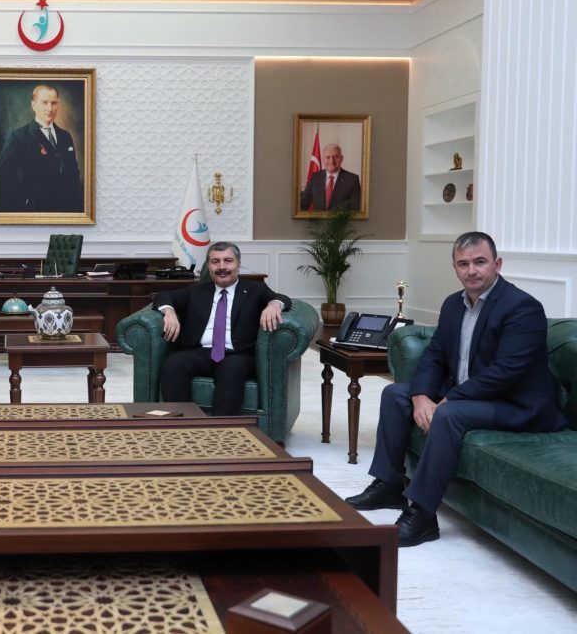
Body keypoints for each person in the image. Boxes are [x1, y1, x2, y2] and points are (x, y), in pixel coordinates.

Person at [345, 232, 568, 547]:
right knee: (395, 395)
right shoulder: (453, 304)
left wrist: (447, 400)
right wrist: (420, 397)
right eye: (463, 264)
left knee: (448, 414)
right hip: (468, 396)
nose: (471, 271)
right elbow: (435, 355)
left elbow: (506, 372)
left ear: (497, 264)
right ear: (455, 268)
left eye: (480, 262)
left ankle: (422, 515)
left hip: (516, 405)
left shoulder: (523, 308)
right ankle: (389, 485)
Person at [154, 241, 290, 417]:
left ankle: (221, 426)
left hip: (238, 354)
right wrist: (169, 311)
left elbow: (283, 298)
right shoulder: (196, 291)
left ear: (238, 264)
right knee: (174, 363)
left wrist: (273, 305)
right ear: (209, 267)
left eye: (228, 261)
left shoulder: (255, 290)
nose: (222, 267)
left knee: (232, 368)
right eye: (215, 261)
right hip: (201, 352)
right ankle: (182, 424)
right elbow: (163, 296)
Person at [0, 84, 83, 213]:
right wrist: (24, 205)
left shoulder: (65, 136)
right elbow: (4, 180)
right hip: (33, 211)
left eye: (54, 103)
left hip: (65, 210)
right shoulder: (17, 137)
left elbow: (73, 173)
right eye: (44, 103)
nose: (50, 108)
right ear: (33, 105)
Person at [299, 143, 361, 212]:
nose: (332, 161)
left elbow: (355, 210)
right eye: (328, 157)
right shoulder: (315, 178)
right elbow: (304, 204)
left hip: (341, 219)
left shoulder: (352, 180)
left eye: (336, 157)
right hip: (317, 219)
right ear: (323, 159)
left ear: (341, 158)